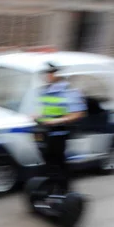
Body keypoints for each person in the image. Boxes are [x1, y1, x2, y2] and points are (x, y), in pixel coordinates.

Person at [35, 62, 87, 192]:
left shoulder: (69, 91)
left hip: (60, 133)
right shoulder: (46, 90)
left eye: (49, 73)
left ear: (57, 74)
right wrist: (38, 116)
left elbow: (78, 114)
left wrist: (57, 121)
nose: (46, 76)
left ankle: (64, 191)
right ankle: (51, 189)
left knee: (58, 163)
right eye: (46, 73)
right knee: (48, 163)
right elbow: (48, 110)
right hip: (46, 132)